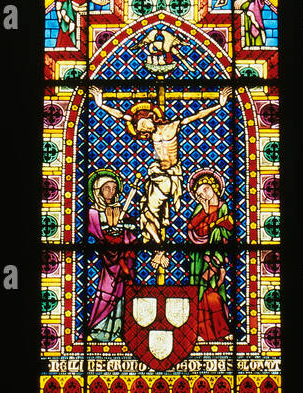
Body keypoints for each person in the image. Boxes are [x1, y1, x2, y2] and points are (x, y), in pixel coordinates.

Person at [90, 85, 232, 245]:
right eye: (139, 128)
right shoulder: (150, 132)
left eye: (142, 125)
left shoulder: (173, 126)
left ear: (151, 117)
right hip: (159, 174)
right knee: (146, 208)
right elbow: (122, 115)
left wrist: (220, 104)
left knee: (148, 212)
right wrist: (100, 104)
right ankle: (158, 240)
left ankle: (159, 245)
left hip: (169, 175)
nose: (141, 130)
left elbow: (198, 116)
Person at [87, 169, 139, 341]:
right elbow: (94, 231)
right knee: (105, 293)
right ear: (98, 191)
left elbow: (131, 235)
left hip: (122, 262)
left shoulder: (119, 211)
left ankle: (120, 329)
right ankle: (99, 328)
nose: (111, 192)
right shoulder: (93, 212)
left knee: (122, 295)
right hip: (107, 262)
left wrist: (125, 229)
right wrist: (109, 234)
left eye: (114, 188)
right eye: (106, 188)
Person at [187, 169, 233, 339]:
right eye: (199, 193)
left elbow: (226, 230)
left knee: (215, 293)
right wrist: (205, 210)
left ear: (214, 187)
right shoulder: (201, 207)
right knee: (201, 293)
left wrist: (217, 230)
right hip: (199, 257)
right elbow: (191, 228)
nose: (204, 194)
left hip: (216, 255)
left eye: (205, 189)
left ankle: (222, 331)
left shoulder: (223, 207)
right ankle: (200, 331)